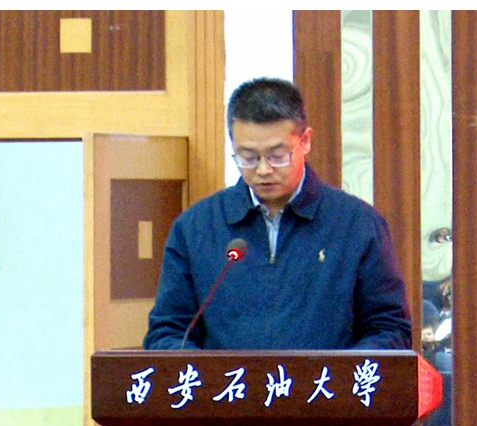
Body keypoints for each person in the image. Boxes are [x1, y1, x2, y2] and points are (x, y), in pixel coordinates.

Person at [144, 77, 411, 351]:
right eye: (248, 157)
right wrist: (210, 372)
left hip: (325, 380)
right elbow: (168, 332)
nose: (263, 170)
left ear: (305, 141)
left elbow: (389, 329)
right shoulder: (196, 228)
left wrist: (338, 371)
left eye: (277, 156)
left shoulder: (357, 224)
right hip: (229, 380)